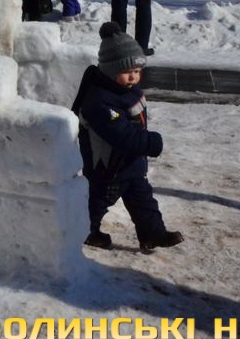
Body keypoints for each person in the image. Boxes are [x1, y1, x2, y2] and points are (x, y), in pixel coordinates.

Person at [71, 22, 184, 251]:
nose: (133, 77)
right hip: (108, 168)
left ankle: (153, 234)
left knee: (144, 202)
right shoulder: (100, 101)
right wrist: (151, 143)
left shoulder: (126, 90)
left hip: (130, 163)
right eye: (127, 72)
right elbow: (122, 135)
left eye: (137, 72)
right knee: (96, 204)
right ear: (110, 70)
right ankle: (84, 232)